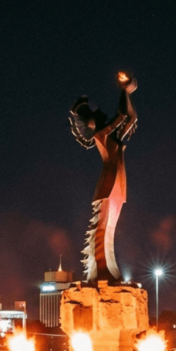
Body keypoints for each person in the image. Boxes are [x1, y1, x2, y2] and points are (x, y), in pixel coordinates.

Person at [69, 72, 138, 282]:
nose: (100, 114)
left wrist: (127, 94)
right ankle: (101, 271)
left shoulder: (113, 135)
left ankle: (108, 269)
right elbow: (121, 116)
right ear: (90, 122)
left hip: (119, 182)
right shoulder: (102, 134)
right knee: (103, 227)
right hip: (108, 183)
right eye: (95, 114)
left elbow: (131, 117)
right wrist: (123, 91)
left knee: (111, 229)